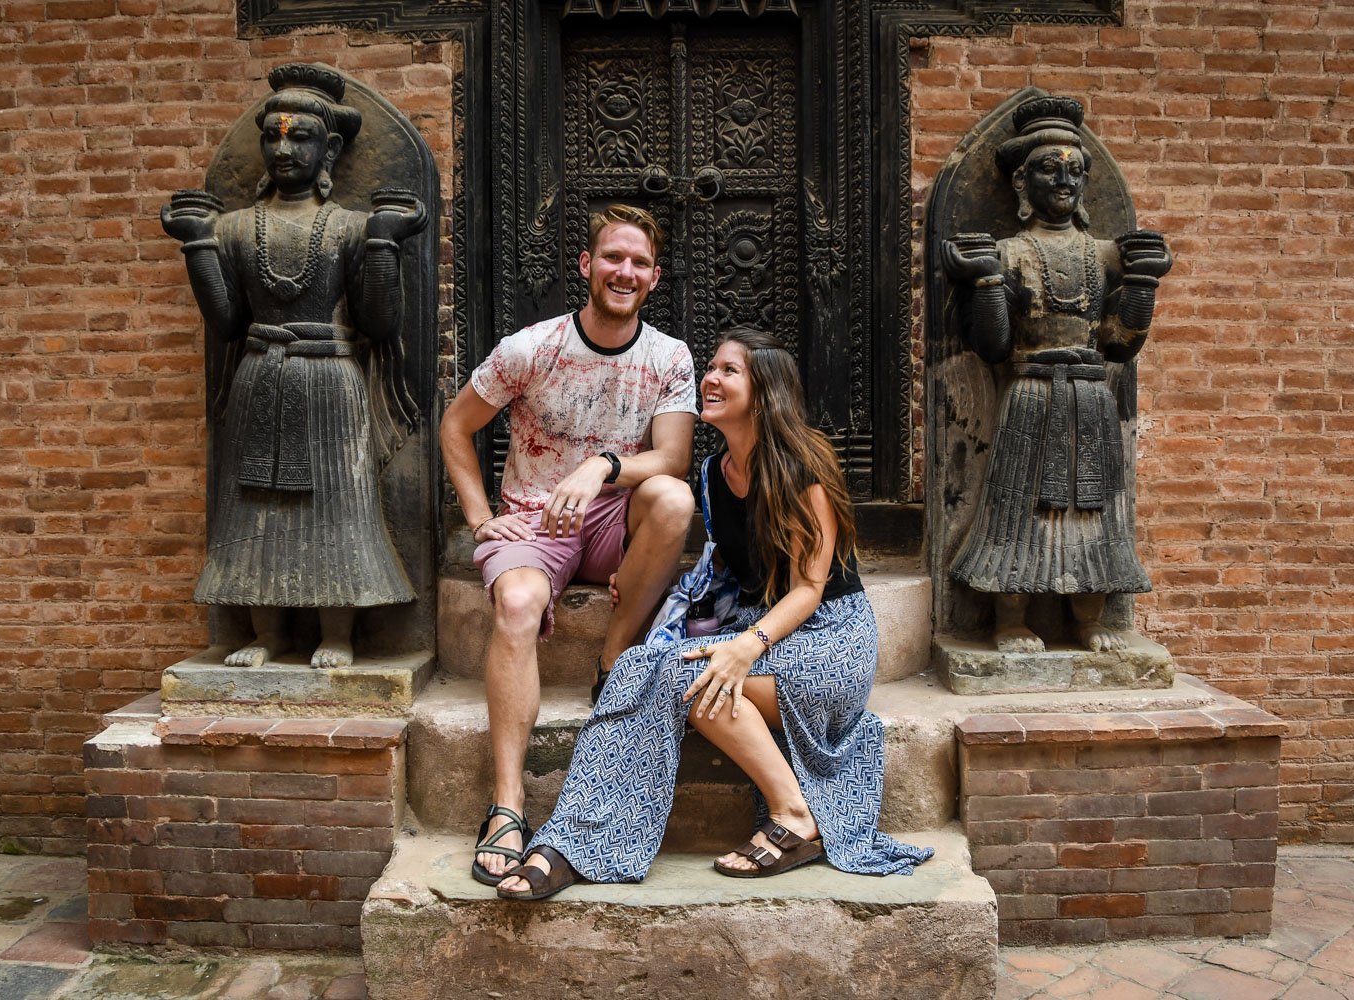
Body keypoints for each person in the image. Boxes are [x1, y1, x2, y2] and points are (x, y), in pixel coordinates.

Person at [495, 327, 933, 901]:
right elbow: (724, 571)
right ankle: (575, 844)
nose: (711, 378)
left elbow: (808, 588)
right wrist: (670, 605)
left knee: (690, 676)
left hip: (830, 640)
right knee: (639, 669)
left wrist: (744, 645)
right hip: (764, 633)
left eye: (729, 370)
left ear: (765, 390)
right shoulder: (711, 473)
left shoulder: (805, 469)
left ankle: (795, 814)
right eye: (712, 368)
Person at [439, 204, 697, 885]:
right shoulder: (532, 348)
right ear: (586, 266)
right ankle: (507, 805)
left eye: (639, 263)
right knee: (517, 607)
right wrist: (478, 516)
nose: (625, 271)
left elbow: (670, 457)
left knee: (675, 500)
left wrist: (603, 466)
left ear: (654, 278)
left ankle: (613, 657)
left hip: (614, 521)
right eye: (613, 257)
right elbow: (456, 426)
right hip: (532, 523)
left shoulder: (669, 357)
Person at [160, 64, 427, 669]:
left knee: (338, 504)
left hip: (330, 377)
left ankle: (338, 632)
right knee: (257, 506)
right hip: (260, 373)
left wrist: (384, 241)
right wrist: (199, 245)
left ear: (329, 147)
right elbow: (226, 322)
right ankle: (267, 634)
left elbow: (379, 323)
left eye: (300, 137)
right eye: (273, 136)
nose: (284, 149)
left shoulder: (349, 227)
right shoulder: (233, 229)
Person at [940, 95, 1171, 653]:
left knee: (1091, 508)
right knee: (1020, 507)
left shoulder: (1106, 256)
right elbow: (992, 345)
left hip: (1090, 398)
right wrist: (989, 282)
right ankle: (1009, 619)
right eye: (1049, 168)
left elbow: (1118, 345)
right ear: (1022, 185)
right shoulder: (1011, 252)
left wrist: (1142, 284)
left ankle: (1088, 619)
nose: (1064, 180)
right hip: (1032, 395)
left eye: (1075, 170)